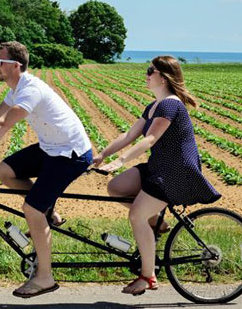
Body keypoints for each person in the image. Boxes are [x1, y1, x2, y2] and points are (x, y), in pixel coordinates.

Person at [0, 41, 93, 298]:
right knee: (5, 171)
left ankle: (45, 277)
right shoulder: (15, 88)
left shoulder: (30, 90)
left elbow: (5, 123)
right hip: (51, 147)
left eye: (0, 62)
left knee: (31, 209)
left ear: (16, 66)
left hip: (70, 153)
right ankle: (49, 211)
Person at [95, 55, 221, 296]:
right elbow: (129, 134)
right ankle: (158, 223)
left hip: (175, 172)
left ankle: (148, 275)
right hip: (158, 166)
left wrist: (121, 160)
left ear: (163, 78)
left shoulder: (170, 105)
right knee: (117, 187)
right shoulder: (153, 106)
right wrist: (102, 155)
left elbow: (150, 139)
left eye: (150, 71)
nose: (146, 74)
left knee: (136, 216)